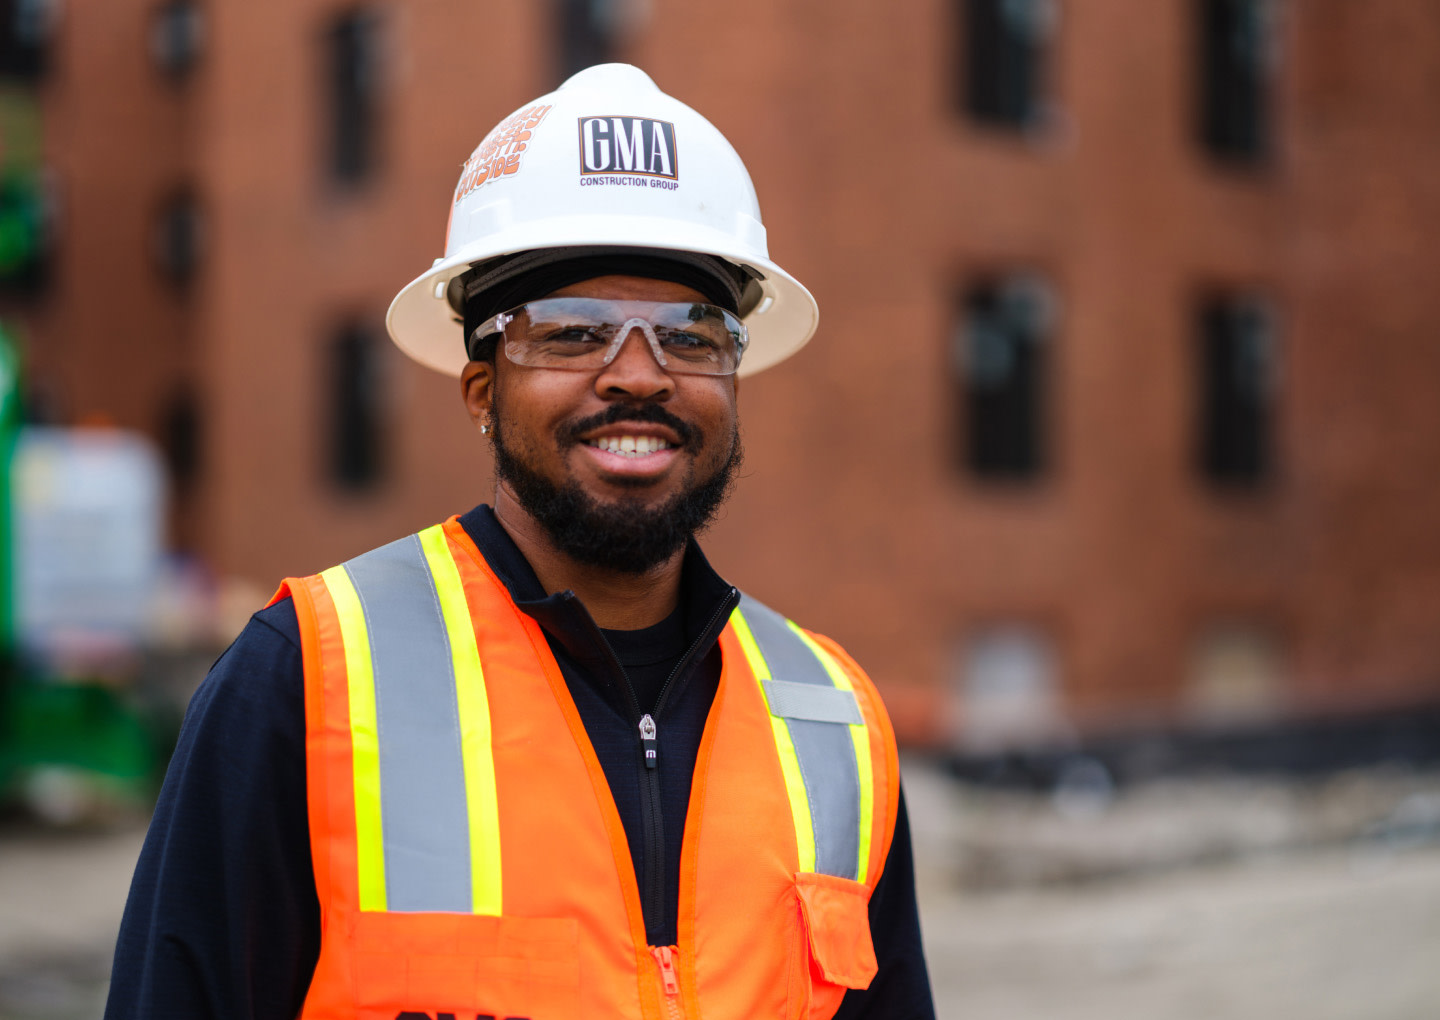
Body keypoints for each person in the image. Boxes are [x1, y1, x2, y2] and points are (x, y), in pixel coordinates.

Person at [106, 64, 935, 1020]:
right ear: (482, 392)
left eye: (691, 334)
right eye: (573, 332)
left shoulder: (833, 721)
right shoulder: (305, 681)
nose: (639, 376)